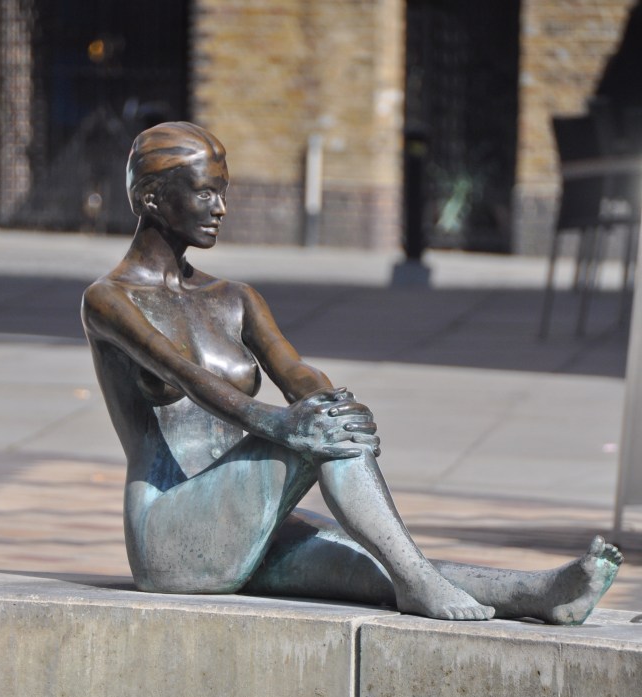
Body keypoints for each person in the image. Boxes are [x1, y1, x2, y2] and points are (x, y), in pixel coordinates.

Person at [81, 121, 621, 624]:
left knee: (375, 557)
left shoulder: (234, 298)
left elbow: (295, 370)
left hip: (244, 514)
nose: (221, 207)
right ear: (152, 198)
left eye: (225, 191)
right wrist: (291, 426)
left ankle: (540, 594)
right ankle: (420, 584)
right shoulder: (110, 300)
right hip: (172, 532)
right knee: (321, 438)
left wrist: (332, 400)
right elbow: (190, 378)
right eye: (205, 192)